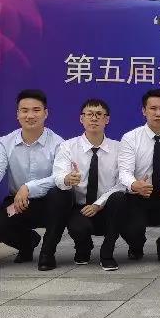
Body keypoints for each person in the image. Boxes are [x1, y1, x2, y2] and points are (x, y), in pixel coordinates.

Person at [0, 89, 66, 268]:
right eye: (24, 110)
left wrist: (28, 187)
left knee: (62, 194)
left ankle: (47, 253)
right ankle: (28, 242)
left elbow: (59, 177)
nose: (30, 115)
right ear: (17, 114)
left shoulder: (59, 143)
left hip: (49, 203)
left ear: (46, 113)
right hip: (18, 203)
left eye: (36, 110)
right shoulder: (4, 142)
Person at [105, 89, 160, 266]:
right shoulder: (130, 138)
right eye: (153, 108)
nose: (158, 113)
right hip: (137, 195)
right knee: (134, 231)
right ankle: (136, 245)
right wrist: (135, 184)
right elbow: (124, 172)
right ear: (144, 111)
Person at [50, 98, 122, 270]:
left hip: (107, 206)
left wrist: (98, 205)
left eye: (99, 114)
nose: (94, 118)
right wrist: (67, 178)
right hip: (80, 207)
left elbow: (122, 183)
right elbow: (58, 175)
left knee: (120, 197)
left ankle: (107, 253)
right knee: (78, 228)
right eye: (89, 114)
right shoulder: (68, 146)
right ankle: (83, 247)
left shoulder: (119, 148)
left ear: (107, 119)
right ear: (81, 119)